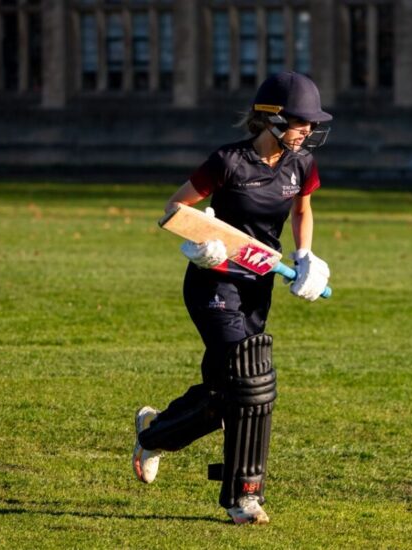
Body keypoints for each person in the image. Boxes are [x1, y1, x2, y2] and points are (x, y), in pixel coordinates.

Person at [132, 71, 332, 525]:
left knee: (227, 393)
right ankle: (244, 498)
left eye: (312, 124)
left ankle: (155, 433)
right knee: (250, 381)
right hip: (213, 281)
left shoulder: (301, 164)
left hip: (257, 286)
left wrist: (304, 255)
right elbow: (175, 207)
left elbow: (302, 210)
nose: (308, 131)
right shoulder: (228, 161)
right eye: (301, 122)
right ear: (273, 119)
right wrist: (201, 242)